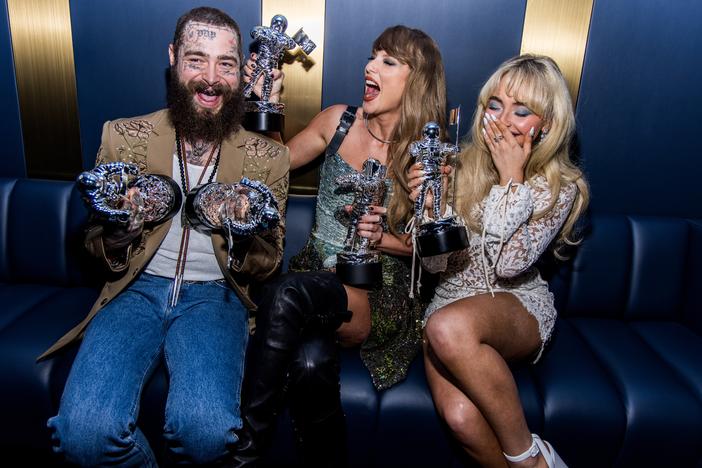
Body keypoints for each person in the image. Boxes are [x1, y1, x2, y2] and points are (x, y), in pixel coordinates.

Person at [38, 7, 289, 466]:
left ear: (241, 71)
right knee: (84, 437)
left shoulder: (266, 157)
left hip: (216, 298)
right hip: (134, 292)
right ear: (173, 58)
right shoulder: (123, 136)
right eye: (196, 60)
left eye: (226, 64)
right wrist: (119, 228)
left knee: (208, 435)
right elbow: (95, 242)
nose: (211, 79)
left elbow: (269, 260)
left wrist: (242, 232)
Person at [231, 25, 447, 466]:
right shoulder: (338, 120)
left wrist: (384, 238)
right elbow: (275, 168)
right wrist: (266, 100)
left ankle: (243, 454)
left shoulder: (427, 154)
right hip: (318, 274)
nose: (370, 66)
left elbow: (438, 253)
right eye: (372, 56)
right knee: (309, 366)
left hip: (377, 289)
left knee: (286, 292)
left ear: (417, 79)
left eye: (389, 61)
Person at [407, 54, 589, 468]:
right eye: (495, 105)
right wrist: (431, 210)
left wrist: (512, 180)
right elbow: (437, 269)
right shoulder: (457, 166)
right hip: (450, 305)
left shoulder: (560, 186)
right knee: (460, 418)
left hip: (514, 305)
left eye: (522, 111)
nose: (504, 120)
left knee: (447, 325)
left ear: (547, 123)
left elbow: (507, 265)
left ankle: (531, 459)